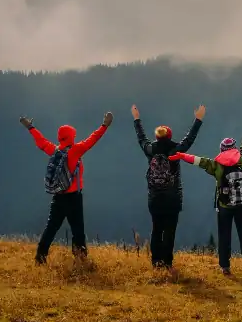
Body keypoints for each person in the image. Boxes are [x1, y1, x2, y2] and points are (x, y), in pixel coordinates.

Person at [169, 114, 242, 279]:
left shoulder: (217, 166)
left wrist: (182, 156)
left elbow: (200, 161)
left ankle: (225, 267)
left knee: (224, 235)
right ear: (234, 148)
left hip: (224, 206)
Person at [20, 111, 113, 265]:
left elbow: (41, 142)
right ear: (71, 136)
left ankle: (40, 257)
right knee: (78, 230)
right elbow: (92, 139)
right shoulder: (75, 151)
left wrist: (31, 128)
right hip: (74, 198)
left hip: (58, 196)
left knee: (51, 228)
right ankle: (80, 259)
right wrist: (104, 125)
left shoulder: (55, 150)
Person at [132, 104, 206, 274]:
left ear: (157, 137)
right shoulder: (175, 150)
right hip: (173, 197)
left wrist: (137, 119)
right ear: (170, 136)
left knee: (156, 229)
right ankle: (167, 263)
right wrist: (198, 119)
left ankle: (155, 261)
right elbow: (189, 139)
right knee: (170, 230)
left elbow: (141, 138)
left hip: (155, 197)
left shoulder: (150, 150)